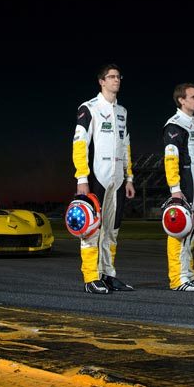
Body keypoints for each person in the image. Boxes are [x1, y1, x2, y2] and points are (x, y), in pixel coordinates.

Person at [72, 64, 136, 294]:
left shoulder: (123, 112)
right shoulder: (89, 108)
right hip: (96, 177)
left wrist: (129, 178)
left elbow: (126, 145)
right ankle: (91, 277)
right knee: (91, 229)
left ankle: (108, 275)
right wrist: (82, 177)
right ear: (101, 81)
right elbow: (79, 144)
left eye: (118, 76)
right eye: (111, 77)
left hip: (118, 179)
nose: (116, 80)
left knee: (112, 229)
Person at [163, 83, 194, 291]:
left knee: (191, 229)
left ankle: (188, 274)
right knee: (179, 228)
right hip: (184, 178)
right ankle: (177, 278)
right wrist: (175, 188)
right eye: (193, 97)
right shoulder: (175, 125)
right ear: (181, 100)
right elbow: (171, 158)